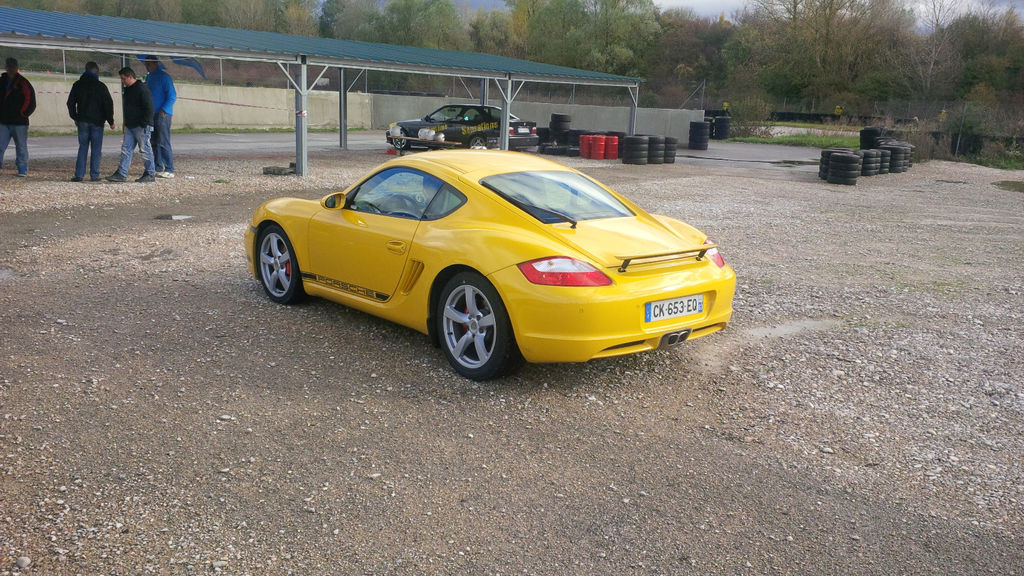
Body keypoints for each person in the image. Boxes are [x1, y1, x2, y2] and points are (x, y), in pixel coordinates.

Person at [66, 61, 115, 182]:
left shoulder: (77, 85)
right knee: (96, 149)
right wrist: (110, 120)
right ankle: (94, 175)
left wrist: (75, 117)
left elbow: (70, 103)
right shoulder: (101, 86)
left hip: (82, 121)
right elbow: (108, 104)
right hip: (97, 122)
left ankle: (79, 175)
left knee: (82, 147)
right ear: (97, 72)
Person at [107, 66, 156, 183]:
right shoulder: (128, 89)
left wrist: (144, 123)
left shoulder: (142, 89)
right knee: (126, 149)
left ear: (130, 77)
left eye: (124, 79)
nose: (122, 81)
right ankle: (122, 173)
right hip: (131, 124)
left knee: (145, 149)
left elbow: (149, 108)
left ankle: (150, 173)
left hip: (141, 125)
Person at [0, 57, 36, 177]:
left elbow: (31, 101)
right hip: (3, 121)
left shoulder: (23, 83)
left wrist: (23, 114)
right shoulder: (2, 81)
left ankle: (22, 169)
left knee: (21, 147)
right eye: (9, 66)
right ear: (6, 67)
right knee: (0, 146)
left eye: (13, 66)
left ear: (16, 68)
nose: (10, 69)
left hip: (19, 122)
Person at [143, 55, 176, 178]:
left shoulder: (164, 77)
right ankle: (158, 166)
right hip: (152, 114)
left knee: (163, 141)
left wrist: (164, 109)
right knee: (154, 141)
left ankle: (169, 168)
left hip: (163, 114)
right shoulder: (149, 77)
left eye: (149, 64)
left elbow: (172, 96)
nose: (147, 66)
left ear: (156, 63)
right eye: (146, 64)